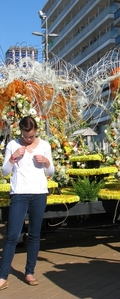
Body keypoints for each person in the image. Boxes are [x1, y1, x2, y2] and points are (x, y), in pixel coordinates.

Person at [0, 116, 54, 290]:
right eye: (25, 135)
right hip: (19, 194)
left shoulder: (44, 145)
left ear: (36, 130)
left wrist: (46, 162)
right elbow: (4, 172)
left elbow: (51, 171)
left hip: (39, 194)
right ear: (21, 131)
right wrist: (13, 158)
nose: (28, 139)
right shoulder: (12, 145)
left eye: (31, 136)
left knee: (34, 234)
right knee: (12, 236)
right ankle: (3, 276)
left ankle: (29, 272)